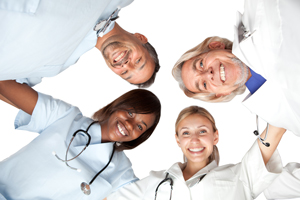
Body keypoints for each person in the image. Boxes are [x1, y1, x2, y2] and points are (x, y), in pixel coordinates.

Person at [0, 80, 161, 199]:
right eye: (130, 113)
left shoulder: (122, 171)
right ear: (118, 105)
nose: (130, 125)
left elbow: (154, 193)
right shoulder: (65, 116)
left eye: (140, 127)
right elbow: (5, 83)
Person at [172, 0, 300, 135]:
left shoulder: (259, 7)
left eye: (201, 64)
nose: (208, 74)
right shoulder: (276, 115)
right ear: (222, 94)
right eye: (204, 84)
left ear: (216, 46)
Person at [106, 106, 285, 200]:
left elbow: (276, 128)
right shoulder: (156, 182)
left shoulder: (240, 176)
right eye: (186, 133)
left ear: (215, 136)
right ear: (178, 140)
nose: (194, 139)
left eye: (202, 131)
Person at [0, 0, 160, 88]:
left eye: (125, 73)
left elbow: (7, 87)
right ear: (140, 38)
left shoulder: (55, 65)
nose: (126, 65)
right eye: (138, 61)